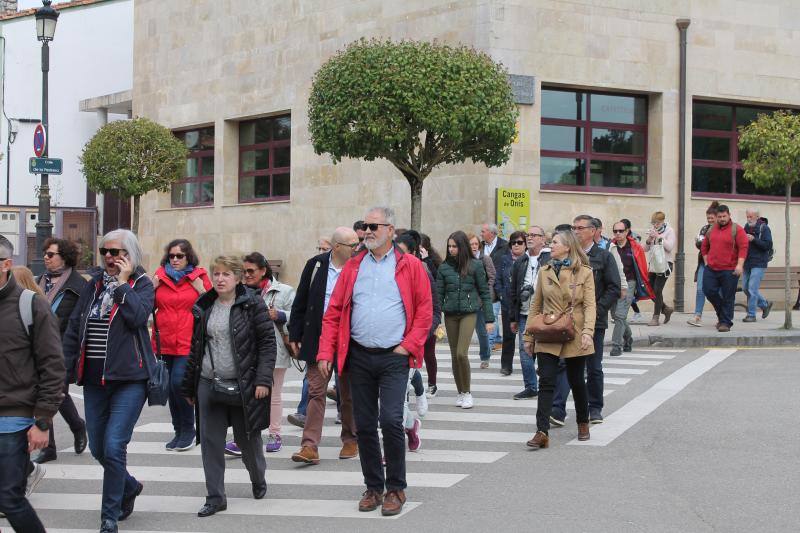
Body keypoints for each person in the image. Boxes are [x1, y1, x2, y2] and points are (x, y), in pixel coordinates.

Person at [317, 206, 432, 517]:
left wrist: (408, 346)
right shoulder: (354, 266)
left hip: (395, 356)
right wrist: (326, 352)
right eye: (365, 226)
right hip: (359, 356)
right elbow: (334, 312)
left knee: (391, 420)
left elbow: (424, 311)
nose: (367, 231)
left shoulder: (411, 266)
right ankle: (373, 487)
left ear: (390, 230)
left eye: (374, 226)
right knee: (364, 425)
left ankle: (396, 488)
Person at [62, 229, 155, 533]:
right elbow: (75, 326)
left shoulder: (142, 284)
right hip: (94, 379)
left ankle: (109, 517)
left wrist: (123, 285)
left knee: (114, 447)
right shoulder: (94, 285)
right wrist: (64, 369)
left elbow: (138, 317)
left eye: (116, 252)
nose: (110, 257)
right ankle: (129, 486)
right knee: (99, 449)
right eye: (105, 251)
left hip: (130, 380)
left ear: (130, 254)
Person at [181, 255, 275, 518]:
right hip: (209, 383)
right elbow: (196, 348)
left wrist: (263, 380)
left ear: (237, 278)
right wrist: (189, 387)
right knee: (211, 443)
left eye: (226, 274)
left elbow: (267, 343)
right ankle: (215, 497)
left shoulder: (252, 303)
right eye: (216, 274)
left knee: (248, 442)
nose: (220, 279)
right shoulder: (205, 304)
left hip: (243, 385)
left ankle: (257, 477)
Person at [0, 235, 65, 533]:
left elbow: (53, 365)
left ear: (6, 265)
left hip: (13, 417)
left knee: (9, 497)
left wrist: (43, 420)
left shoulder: (31, 305)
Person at [289, 227, 360, 465]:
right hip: (318, 337)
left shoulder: (359, 267)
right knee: (315, 391)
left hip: (349, 337)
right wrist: (295, 333)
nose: (357, 248)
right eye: (352, 245)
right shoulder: (316, 265)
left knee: (347, 392)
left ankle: (350, 439)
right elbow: (301, 300)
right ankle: (309, 445)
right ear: (337, 247)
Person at [523, 230, 596, 449]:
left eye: (555, 242)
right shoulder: (544, 271)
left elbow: (590, 305)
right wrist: (528, 336)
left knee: (576, 380)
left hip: (574, 331)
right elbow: (536, 305)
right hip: (548, 330)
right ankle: (541, 432)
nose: (551, 245)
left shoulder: (584, 272)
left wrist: (588, 332)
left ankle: (583, 422)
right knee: (546, 381)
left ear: (567, 246)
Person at [550, 216, 620, 426]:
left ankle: (594, 408)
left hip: (593, 321)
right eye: (574, 228)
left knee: (593, 366)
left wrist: (597, 311)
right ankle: (558, 409)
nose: (576, 231)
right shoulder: (566, 257)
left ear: (593, 231)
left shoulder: (604, 256)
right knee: (564, 363)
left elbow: (614, 288)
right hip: (567, 320)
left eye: (580, 228)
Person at [30, 238, 88, 464]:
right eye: (45, 253)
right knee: (47, 392)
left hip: (63, 346)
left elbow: (79, 322)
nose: (46, 257)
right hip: (38, 345)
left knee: (55, 391)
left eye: (51, 254)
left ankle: (76, 427)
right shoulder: (39, 281)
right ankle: (52, 445)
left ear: (64, 257)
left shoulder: (78, 285)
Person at [152, 239, 211, 452]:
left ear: (188, 257)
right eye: (171, 256)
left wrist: (202, 291)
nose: (175, 260)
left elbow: (212, 306)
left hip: (188, 341)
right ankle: (178, 431)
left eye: (179, 256)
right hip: (164, 342)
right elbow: (146, 307)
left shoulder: (199, 277)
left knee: (179, 384)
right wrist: (151, 289)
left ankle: (188, 429)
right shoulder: (159, 277)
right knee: (168, 387)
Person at [438, 231, 494, 409]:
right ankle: (460, 392)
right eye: (449, 246)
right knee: (454, 355)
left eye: (454, 246)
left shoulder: (476, 265)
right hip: (450, 314)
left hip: (469, 313)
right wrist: (436, 321)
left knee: (462, 353)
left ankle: (467, 392)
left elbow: (485, 293)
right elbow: (438, 295)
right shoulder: (444, 267)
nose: (451, 249)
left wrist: (489, 319)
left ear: (462, 247)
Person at [509, 226, 551, 400]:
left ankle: (547, 385)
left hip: (545, 313)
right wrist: (513, 317)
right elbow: (513, 290)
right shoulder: (521, 261)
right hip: (524, 312)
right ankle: (531, 386)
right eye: (528, 235)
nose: (530, 238)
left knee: (544, 350)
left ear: (543, 239)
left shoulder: (550, 258)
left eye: (534, 235)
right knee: (524, 350)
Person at [701, 204, 749, 332]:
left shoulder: (737, 230)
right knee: (708, 291)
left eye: (724, 216)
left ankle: (725, 323)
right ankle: (723, 315)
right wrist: (706, 261)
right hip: (711, 268)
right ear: (716, 217)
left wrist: (740, 265)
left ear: (729, 215)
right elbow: (704, 247)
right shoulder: (711, 229)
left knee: (728, 296)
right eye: (719, 216)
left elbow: (743, 248)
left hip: (730, 269)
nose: (722, 219)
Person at [609, 222, 654, 356]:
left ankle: (616, 346)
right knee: (616, 315)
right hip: (613, 284)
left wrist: (643, 284)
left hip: (629, 282)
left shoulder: (635, 247)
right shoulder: (610, 246)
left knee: (620, 315)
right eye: (615, 231)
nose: (618, 233)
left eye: (621, 231)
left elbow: (642, 267)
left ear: (627, 231)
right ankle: (628, 338)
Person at [466, 232, 497, 370]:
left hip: (480, 300)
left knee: (481, 331)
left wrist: (487, 294)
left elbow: (492, 277)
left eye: (476, 244)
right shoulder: (463, 260)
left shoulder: (485, 259)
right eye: (471, 244)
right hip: (466, 300)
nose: (474, 246)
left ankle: (485, 357)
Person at [688, 203, 720, 327]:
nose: (710, 220)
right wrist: (698, 241)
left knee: (718, 292)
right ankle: (697, 315)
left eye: (712, 218)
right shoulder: (704, 229)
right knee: (700, 289)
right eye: (708, 218)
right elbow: (700, 246)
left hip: (718, 264)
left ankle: (721, 316)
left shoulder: (722, 229)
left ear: (717, 217)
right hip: (703, 262)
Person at [419, 233, 443, 397]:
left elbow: (437, 280)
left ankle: (432, 384)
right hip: (414, 312)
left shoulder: (432, 261)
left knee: (429, 352)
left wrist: (426, 260)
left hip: (429, 312)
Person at [644, 211, 677, 326]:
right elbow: (645, 249)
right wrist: (649, 239)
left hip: (665, 265)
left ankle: (656, 317)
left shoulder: (669, 231)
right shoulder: (654, 231)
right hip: (654, 265)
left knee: (657, 290)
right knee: (649, 290)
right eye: (653, 223)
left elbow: (669, 247)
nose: (655, 225)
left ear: (663, 221)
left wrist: (658, 236)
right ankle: (666, 309)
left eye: (657, 223)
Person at [742, 208, 773, 322]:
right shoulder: (746, 227)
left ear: (757, 217)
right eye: (747, 217)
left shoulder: (764, 228)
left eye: (751, 217)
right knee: (745, 288)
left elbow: (768, 245)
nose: (748, 219)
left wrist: (754, 239)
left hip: (759, 262)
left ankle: (751, 315)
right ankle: (765, 305)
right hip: (747, 262)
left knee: (752, 289)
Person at [480, 223, 507, 350]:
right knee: (491, 314)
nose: (481, 234)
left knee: (492, 315)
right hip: (484, 285)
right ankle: (496, 340)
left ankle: (490, 344)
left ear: (491, 233)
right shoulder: (480, 246)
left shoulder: (504, 245)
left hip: (499, 285)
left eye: (483, 231)